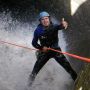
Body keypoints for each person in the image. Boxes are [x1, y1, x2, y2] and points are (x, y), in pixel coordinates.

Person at [28, 11, 77, 86]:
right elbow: (34, 43)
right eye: (43, 19)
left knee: (69, 69)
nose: (45, 21)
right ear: (40, 21)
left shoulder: (54, 26)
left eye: (46, 18)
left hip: (56, 51)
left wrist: (64, 24)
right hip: (44, 53)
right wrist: (41, 47)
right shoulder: (38, 31)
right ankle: (27, 87)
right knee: (34, 72)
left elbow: (61, 26)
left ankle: (78, 82)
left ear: (49, 19)